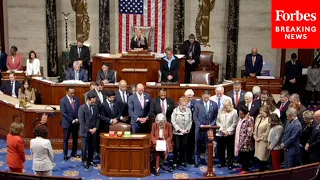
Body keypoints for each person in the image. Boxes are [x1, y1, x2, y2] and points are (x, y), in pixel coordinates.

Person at [194, 90, 218, 167]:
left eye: (207, 97)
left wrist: (212, 125)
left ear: (210, 96)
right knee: (198, 145)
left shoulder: (214, 104)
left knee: (209, 145)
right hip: (200, 129)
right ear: (202, 96)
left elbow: (216, 117)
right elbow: (195, 116)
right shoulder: (197, 104)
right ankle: (197, 161)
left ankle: (208, 161)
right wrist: (199, 125)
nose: (206, 99)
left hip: (209, 129)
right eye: (205, 97)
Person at [78, 92, 100, 169]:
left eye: (94, 102)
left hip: (93, 131)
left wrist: (95, 128)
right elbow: (82, 122)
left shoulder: (95, 107)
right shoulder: (82, 108)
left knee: (92, 147)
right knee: (84, 147)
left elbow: (97, 119)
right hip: (85, 132)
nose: (94, 103)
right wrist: (89, 129)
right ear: (88, 100)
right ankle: (84, 161)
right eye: (92, 102)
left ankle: (90, 160)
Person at [216, 99, 238, 170]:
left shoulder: (234, 112)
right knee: (220, 149)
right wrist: (222, 130)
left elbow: (234, 123)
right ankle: (222, 162)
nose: (225, 108)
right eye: (224, 106)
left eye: (226, 106)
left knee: (230, 149)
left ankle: (230, 163)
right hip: (221, 132)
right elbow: (218, 121)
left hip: (229, 133)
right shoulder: (220, 110)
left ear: (230, 105)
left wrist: (227, 131)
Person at [60, 86, 81, 161]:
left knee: (75, 139)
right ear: (67, 92)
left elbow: (79, 110)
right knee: (66, 139)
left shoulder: (77, 99)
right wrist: (72, 120)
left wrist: (77, 119)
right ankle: (65, 155)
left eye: (73, 93)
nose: (73, 94)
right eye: (71, 93)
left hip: (76, 123)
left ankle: (74, 153)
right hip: (67, 123)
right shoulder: (63, 101)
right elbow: (64, 113)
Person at [171, 97, 192, 168]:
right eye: (183, 105)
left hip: (185, 132)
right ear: (179, 104)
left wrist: (186, 129)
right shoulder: (175, 110)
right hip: (177, 132)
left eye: (185, 105)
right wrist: (179, 130)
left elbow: (190, 121)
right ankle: (175, 161)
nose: (184, 107)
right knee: (177, 147)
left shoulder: (189, 110)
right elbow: (173, 121)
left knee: (184, 147)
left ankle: (182, 161)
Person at [234, 107, 254, 175]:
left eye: (241, 114)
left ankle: (246, 169)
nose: (240, 115)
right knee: (242, 155)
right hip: (240, 141)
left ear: (245, 113)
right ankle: (242, 167)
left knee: (246, 156)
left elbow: (250, 133)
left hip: (246, 142)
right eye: (239, 114)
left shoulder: (249, 120)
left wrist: (245, 142)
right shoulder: (240, 119)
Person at [253, 106, 271, 172]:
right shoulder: (258, 118)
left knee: (262, 156)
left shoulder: (269, 120)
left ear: (267, 112)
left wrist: (260, 138)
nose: (261, 114)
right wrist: (254, 135)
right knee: (257, 156)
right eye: (260, 113)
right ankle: (259, 169)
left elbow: (267, 132)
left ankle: (262, 170)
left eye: (262, 113)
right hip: (256, 139)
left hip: (263, 141)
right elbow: (255, 127)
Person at [184, 89, 197, 164]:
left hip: (192, 126)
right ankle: (183, 158)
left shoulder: (196, 103)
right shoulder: (180, 102)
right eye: (188, 97)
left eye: (191, 97)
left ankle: (190, 158)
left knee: (191, 143)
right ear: (185, 96)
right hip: (183, 126)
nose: (189, 98)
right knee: (184, 143)